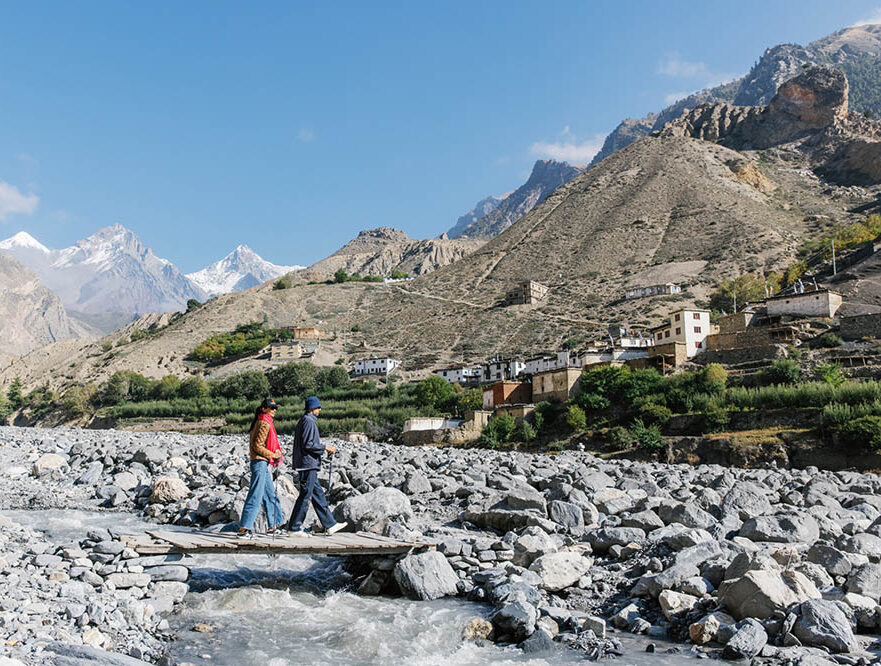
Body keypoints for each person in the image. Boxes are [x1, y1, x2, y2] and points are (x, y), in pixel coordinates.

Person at [287, 396, 347, 536]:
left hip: (306, 463)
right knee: (305, 495)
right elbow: (308, 444)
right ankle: (294, 528)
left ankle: (330, 524)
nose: (320, 410)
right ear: (312, 409)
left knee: (317, 494)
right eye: (318, 407)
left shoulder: (305, 421)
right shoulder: (308, 421)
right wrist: (325, 448)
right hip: (308, 464)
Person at [237, 398, 285, 538]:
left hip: (262, 463)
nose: (274, 410)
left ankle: (274, 525)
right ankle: (244, 529)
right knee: (256, 495)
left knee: (270, 494)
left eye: (275, 408)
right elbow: (257, 446)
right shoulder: (264, 423)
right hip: (259, 463)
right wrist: (273, 454)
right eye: (272, 408)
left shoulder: (261, 421)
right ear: (264, 409)